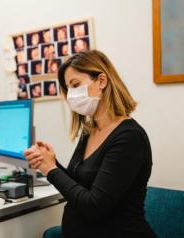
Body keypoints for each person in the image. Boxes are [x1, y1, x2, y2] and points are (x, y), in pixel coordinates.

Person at [24, 50, 156, 237]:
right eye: (67, 89)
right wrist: (51, 162)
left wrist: (50, 170)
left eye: (75, 85)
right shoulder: (90, 130)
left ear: (101, 81)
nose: (70, 95)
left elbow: (94, 207)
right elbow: (78, 187)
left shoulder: (130, 138)